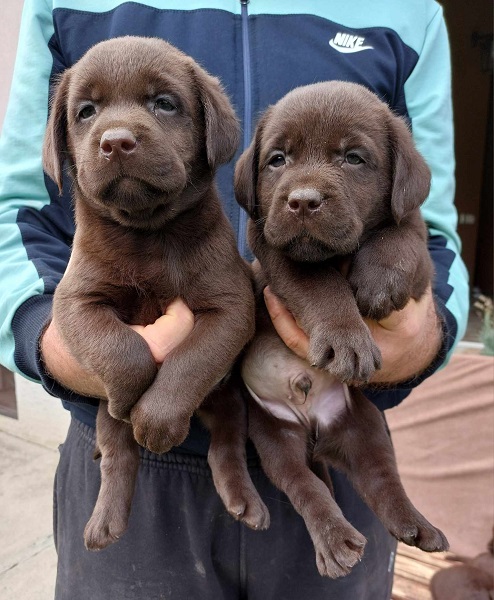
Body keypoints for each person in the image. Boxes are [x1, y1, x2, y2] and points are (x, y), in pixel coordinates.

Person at [0, 1, 469, 598]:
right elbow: (14, 212)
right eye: (89, 112)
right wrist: (67, 348)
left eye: (161, 104)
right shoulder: (62, 5)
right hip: (130, 454)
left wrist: (418, 341)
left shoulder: (408, 14)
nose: (115, 131)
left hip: (329, 446)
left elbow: (427, 228)